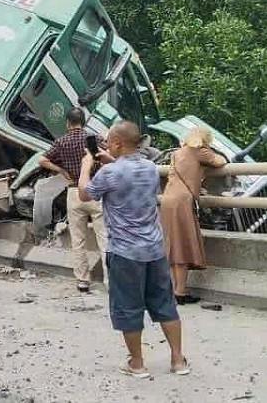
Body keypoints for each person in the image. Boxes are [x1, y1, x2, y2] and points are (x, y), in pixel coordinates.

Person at [78, 121, 189, 377]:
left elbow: (86, 194)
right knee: (165, 303)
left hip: (125, 252)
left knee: (128, 307)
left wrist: (86, 167)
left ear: (117, 143)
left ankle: (137, 363)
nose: (105, 144)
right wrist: (111, 161)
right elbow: (126, 176)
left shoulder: (109, 173)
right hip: (154, 249)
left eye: (108, 141)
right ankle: (178, 360)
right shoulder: (150, 168)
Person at [38, 107, 108, 292]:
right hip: (96, 190)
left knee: (78, 240)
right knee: (105, 238)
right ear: (83, 122)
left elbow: (42, 160)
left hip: (74, 192)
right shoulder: (94, 139)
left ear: (67, 123)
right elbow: (109, 156)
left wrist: (61, 170)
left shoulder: (61, 142)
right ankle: (111, 281)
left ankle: (83, 281)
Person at [161, 126, 226, 304]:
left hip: (167, 199)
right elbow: (220, 161)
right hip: (182, 202)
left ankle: (176, 289)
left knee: (173, 245)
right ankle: (180, 292)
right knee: (182, 245)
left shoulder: (177, 153)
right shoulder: (201, 151)